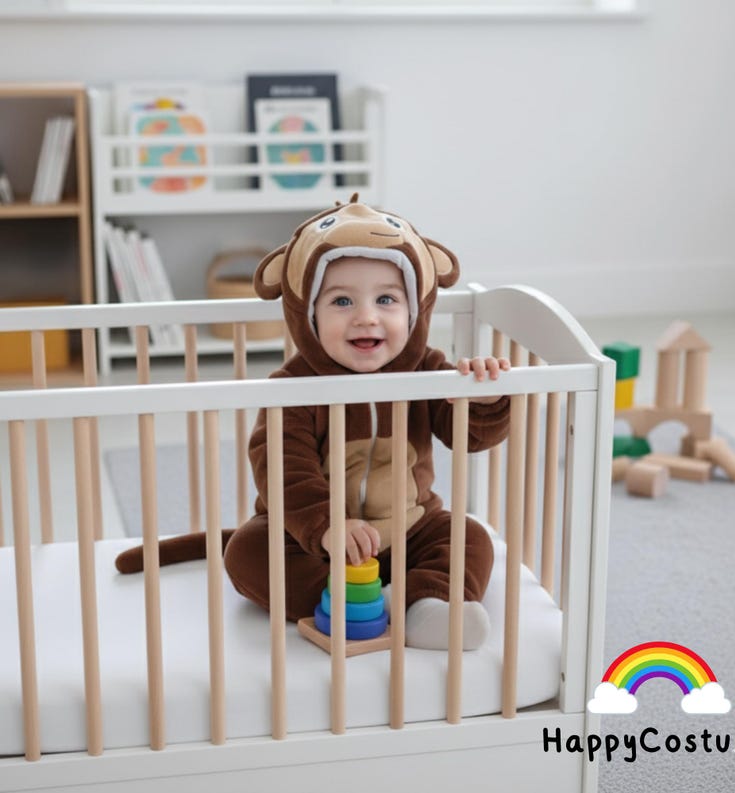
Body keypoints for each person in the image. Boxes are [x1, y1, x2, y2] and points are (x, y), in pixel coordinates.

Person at [116, 195, 511, 650]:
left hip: (409, 526)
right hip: (313, 540)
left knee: (469, 536)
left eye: (387, 299)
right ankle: (347, 601)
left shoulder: (427, 370)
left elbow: (472, 436)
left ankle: (427, 604)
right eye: (342, 300)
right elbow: (283, 468)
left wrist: (483, 397)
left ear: (415, 310)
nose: (367, 316)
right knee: (247, 553)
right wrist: (327, 526)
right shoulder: (294, 388)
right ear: (307, 313)